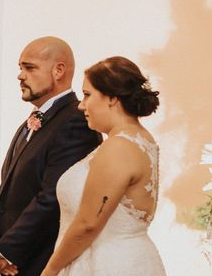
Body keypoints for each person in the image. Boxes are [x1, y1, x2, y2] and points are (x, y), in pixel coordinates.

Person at [0, 37, 102, 276]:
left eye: (29, 68)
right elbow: (3, 193)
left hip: (42, 259)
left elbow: (52, 198)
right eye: (20, 68)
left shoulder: (76, 121)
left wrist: (7, 251)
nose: (20, 76)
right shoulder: (28, 124)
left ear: (58, 70)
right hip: (15, 260)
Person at [41, 56, 166, 276]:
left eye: (87, 95)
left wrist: (51, 269)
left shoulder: (118, 147)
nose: (81, 105)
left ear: (112, 98)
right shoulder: (140, 139)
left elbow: (88, 224)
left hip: (109, 265)